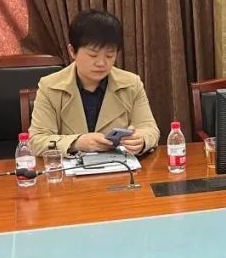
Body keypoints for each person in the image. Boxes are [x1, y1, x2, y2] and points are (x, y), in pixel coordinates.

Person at [29, 9, 160, 157]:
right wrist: (77, 142)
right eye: (93, 55)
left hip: (119, 166)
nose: (101, 63)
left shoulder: (131, 84)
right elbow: (36, 141)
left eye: (109, 55)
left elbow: (150, 130)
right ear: (72, 51)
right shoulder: (49, 86)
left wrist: (141, 140)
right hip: (70, 169)